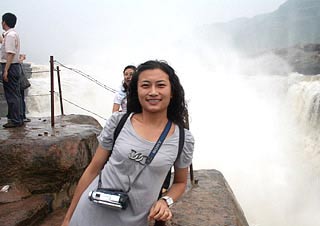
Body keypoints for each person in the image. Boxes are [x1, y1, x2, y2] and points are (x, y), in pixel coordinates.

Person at [62, 60, 195, 226]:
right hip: (90, 212)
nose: (153, 92)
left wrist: (165, 201)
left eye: (160, 85)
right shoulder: (119, 122)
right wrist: (68, 218)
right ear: (137, 91)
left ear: (172, 91)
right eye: (145, 85)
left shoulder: (183, 138)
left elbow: (180, 183)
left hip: (137, 219)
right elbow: (92, 170)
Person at [0, 12, 23, 128]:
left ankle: (15, 120)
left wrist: (6, 70)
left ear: (4, 22)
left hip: (10, 66)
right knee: (16, 94)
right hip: (15, 66)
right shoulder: (13, 34)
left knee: (11, 95)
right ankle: (18, 118)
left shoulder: (9, 36)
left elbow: (10, 53)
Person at [19, 54, 31, 123]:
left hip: (18, 83)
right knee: (20, 99)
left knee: (19, 99)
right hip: (19, 83)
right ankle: (22, 116)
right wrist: (21, 58)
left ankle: (21, 116)